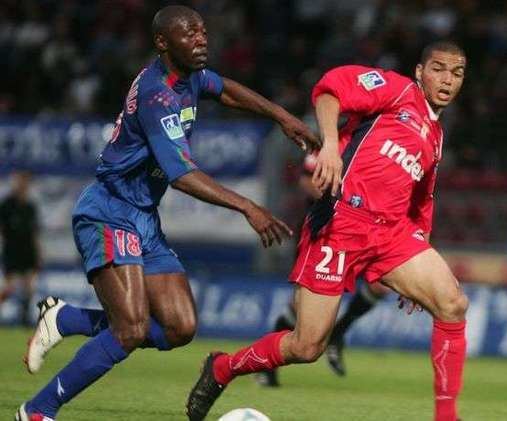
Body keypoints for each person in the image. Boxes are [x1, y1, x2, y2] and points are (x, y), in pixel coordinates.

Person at [16, 5, 317, 420]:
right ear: (162, 43)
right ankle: (37, 409)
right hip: (109, 211)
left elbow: (226, 89)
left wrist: (282, 116)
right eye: (189, 33)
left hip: (143, 217)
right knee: (131, 330)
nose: (201, 39)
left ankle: (67, 318)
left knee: (179, 327)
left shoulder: (190, 77)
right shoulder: (157, 95)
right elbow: (180, 174)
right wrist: (247, 206)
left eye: (202, 31)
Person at [186, 41, 468, 421]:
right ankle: (223, 368)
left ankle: (447, 417)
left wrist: (419, 253)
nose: (447, 80)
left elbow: (422, 202)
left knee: (452, 304)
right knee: (306, 346)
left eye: (456, 73)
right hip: (340, 223)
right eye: (438, 69)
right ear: (420, 72)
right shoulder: (397, 89)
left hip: (392, 234)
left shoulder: (435, 137)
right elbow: (330, 89)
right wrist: (331, 147)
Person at [256, 153, 389, 387]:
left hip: (363, 230)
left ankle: (338, 333)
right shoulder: (325, 149)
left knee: (381, 285)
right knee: (298, 309)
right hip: (324, 230)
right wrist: (336, 196)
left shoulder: (371, 147)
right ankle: (266, 368)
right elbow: (306, 181)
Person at [0, 171, 42, 326]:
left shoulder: (30, 207)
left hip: (27, 251)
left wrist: (38, 253)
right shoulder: (6, 205)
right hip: (12, 250)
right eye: (19, 181)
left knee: (29, 288)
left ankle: (24, 319)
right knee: (9, 288)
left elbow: (34, 233)